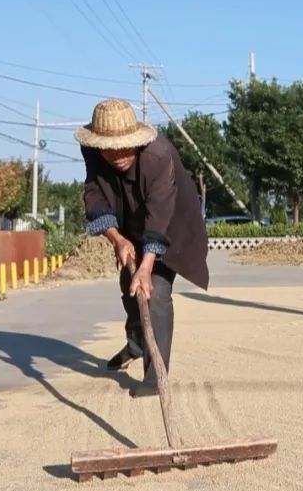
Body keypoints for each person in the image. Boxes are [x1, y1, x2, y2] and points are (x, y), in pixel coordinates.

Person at [76, 99, 210, 398]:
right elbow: (94, 193)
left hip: (171, 223)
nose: (118, 155)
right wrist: (117, 238)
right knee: (129, 286)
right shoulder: (92, 150)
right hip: (130, 221)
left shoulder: (158, 155)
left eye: (125, 148)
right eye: (109, 149)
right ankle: (136, 344)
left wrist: (148, 265)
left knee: (154, 292)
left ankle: (154, 379)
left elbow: (160, 212)